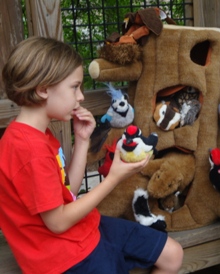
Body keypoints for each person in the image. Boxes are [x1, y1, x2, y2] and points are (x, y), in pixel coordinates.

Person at [0, 36, 183, 274]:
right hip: (62, 257)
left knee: (172, 255)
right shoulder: (28, 149)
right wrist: (114, 178)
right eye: (74, 87)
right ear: (43, 89)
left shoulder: (38, 135)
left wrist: (83, 139)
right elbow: (57, 223)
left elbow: (69, 192)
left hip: (85, 229)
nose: (80, 97)